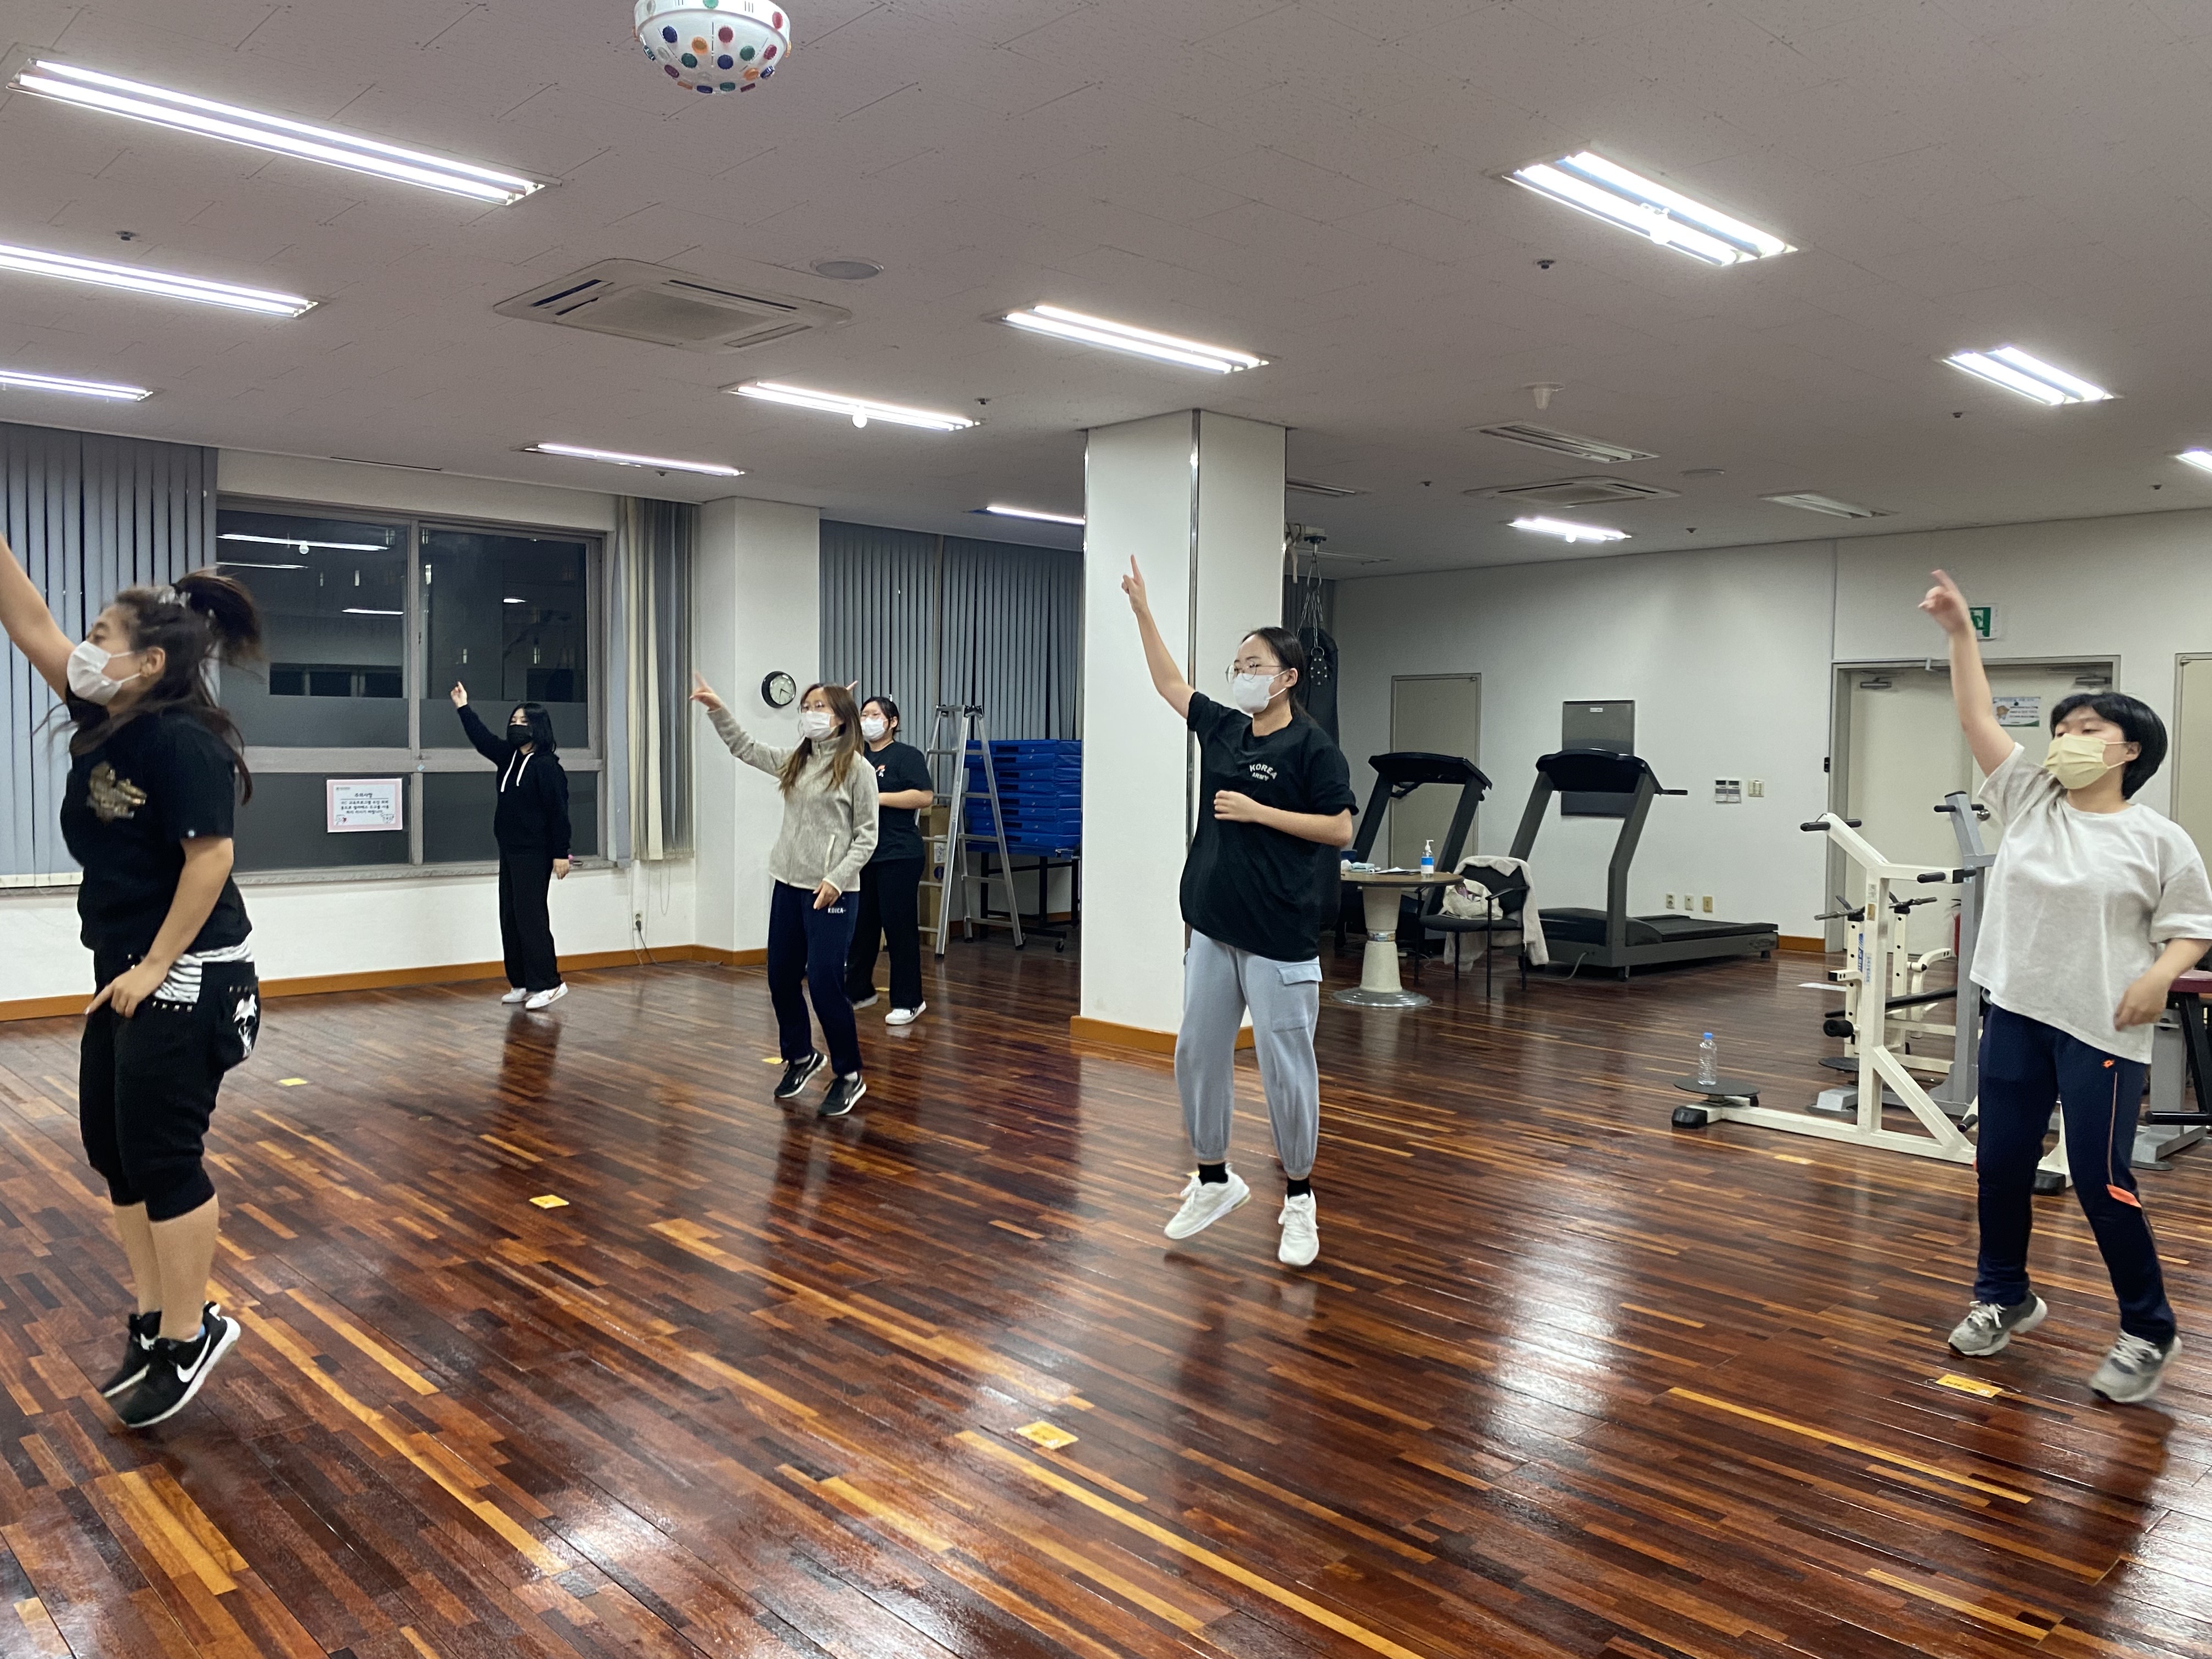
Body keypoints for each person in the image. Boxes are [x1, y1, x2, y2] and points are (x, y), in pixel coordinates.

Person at [1925, 569, 2212, 1402]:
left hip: (2102, 1026)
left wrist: (2160, 975)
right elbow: (1977, 717)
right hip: (2017, 1012)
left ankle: (2149, 1329)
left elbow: (2192, 926)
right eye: (2060, 729)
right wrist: (1961, 633)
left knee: (2101, 1182)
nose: (2066, 740)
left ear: (2130, 749)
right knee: (2000, 1165)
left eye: (2087, 729)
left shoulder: (2160, 839)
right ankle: (2004, 1295)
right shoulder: (2030, 799)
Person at [0, 541, 262, 1429]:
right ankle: (154, 1319)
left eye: (102, 636)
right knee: (112, 1150)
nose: (83, 648)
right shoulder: (108, 714)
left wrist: (153, 966)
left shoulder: (184, 740)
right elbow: (30, 622)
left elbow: (209, 860)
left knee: (161, 1153)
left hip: (191, 971)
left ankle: (191, 1332)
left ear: (149, 662)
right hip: (124, 966)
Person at [1121, 558, 1357, 1267]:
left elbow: (1340, 829)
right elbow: (1170, 684)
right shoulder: (1224, 728)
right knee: (1197, 1053)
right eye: (1237, 664)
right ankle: (1215, 1178)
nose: (1242, 674)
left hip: (1279, 935)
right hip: (1213, 927)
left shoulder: (1312, 748)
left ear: (1287, 678)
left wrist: (1261, 812)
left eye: (1255, 665)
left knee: (1287, 1070)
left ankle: (1300, 1198)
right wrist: (1143, 610)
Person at [691, 673, 878, 1116]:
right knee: (780, 977)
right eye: (806, 708)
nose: (810, 714)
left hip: (831, 892)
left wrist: (836, 879)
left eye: (819, 707)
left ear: (840, 718)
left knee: (826, 985)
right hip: (789, 886)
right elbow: (745, 747)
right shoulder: (797, 761)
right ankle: (801, 1056)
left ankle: (849, 1073)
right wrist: (718, 709)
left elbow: (867, 837)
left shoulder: (858, 770)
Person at [449, 685, 572, 1010]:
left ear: (538, 728)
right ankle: (523, 982)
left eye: (523, 722)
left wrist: (561, 853)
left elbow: (559, 813)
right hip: (510, 849)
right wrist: (463, 707)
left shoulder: (547, 767)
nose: (516, 726)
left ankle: (550, 983)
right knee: (511, 916)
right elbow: (483, 739)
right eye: (513, 721)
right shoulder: (509, 758)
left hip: (536, 852)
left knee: (531, 917)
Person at [844, 695, 934, 1025]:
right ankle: (859, 991)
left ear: (892, 722)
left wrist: (876, 798)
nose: (868, 720)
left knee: (899, 929)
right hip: (863, 854)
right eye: (864, 714)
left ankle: (910, 1001)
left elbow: (924, 796)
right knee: (861, 927)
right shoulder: (856, 757)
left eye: (875, 714)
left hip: (899, 854)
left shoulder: (906, 756)